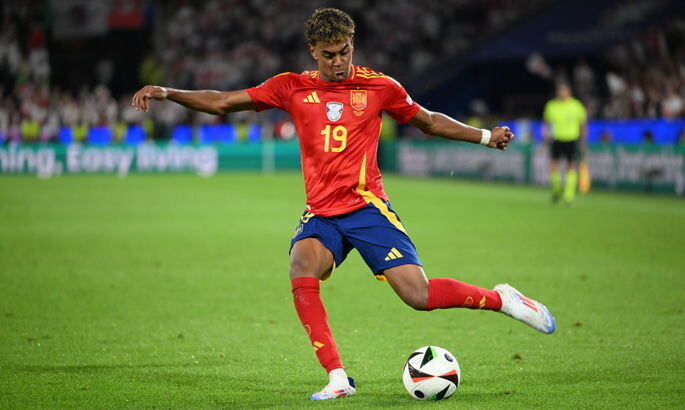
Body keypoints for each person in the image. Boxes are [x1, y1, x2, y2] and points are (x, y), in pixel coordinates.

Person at [132, 8, 556, 401]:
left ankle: (503, 299)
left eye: (346, 52)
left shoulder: (379, 87)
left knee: (418, 296)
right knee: (302, 266)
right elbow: (223, 101)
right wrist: (168, 91)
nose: (339, 62)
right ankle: (337, 376)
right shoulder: (291, 86)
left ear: (354, 43)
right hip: (321, 212)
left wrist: (484, 136)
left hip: (368, 208)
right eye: (330, 54)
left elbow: (427, 120)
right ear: (312, 51)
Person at [542, 83, 588, 205]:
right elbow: (546, 122)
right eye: (560, 91)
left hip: (571, 139)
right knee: (553, 165)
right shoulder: (551, 105)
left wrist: (583, 139)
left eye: (564, 91)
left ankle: (569, 195)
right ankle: (557, 189)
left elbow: (582, 123)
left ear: (569, 92)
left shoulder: (576, 105)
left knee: (571, 166)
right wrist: (545, 134)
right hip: (556, 139)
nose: (562, 93)